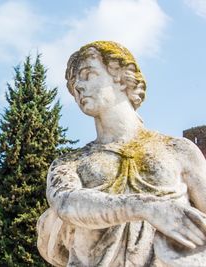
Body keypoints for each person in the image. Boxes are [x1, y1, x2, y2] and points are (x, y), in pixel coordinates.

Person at [37, 41, 206, 267]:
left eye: (88, 74)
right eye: (73, 82)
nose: (78, 86)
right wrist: (146, 207)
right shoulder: (69, 164)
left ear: (122, 77)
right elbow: (67, 204)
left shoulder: (177, 150)